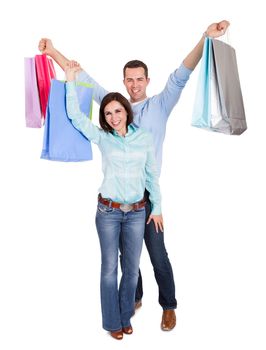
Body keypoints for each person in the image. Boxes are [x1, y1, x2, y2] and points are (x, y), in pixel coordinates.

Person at [38, 20, 230, 331]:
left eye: (140, 79)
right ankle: (133, 299)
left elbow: (183, 73)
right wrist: (53, 52)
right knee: (128, 260)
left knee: (158, 257)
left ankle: (168, 305)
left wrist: (205, 37)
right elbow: (82, 76)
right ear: (124, 82)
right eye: (129, 80)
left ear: (147, 80)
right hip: (118, 203)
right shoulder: (116, 111)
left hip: (147, 201)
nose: (135, 85)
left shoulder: (161, 104)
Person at [64, 61, 163, 340]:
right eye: (107, 113)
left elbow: (151, 176)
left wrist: (157, 208)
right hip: (108, 212)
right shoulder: (102, 137)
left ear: (126, 112)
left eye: (118, 110)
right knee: (109, 268)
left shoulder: (143, 138)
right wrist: (71, 79)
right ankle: (112, 323)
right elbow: (75, 115)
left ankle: (125, 316)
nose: (113, 116)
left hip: (136, 213)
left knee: (131, 270)